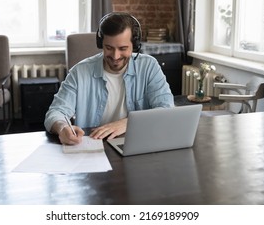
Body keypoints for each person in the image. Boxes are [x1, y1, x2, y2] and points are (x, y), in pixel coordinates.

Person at [44, 12, 174, 145]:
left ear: (134, 45)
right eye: (109, 48)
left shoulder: (149, 66)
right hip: (94, 146)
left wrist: (128, 123)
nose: (115, 56)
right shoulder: (79, 72)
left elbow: (166, 109)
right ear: (101, 44)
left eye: (123, 48)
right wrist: (62, 128)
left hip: (137, 144)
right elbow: (56, 112)